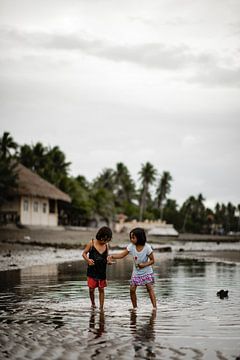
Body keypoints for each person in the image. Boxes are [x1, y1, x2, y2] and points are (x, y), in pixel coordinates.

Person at [108, 227, 157, 309]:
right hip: (136, 273)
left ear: (140, 237)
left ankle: (154, 308)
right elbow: (121, 255)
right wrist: (111, 256)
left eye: (133, 237)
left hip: (147, 272)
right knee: (132, 289)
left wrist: (144, 265)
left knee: (149, 288)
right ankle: (135, 308)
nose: (131, 239)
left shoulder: (147, 247)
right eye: (130, 237)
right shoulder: (131, 246)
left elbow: (152, 260)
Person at [82, 226, 113, 309]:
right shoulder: (91, 243)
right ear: (100, 236)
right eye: (104, 239)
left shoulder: (106, 246)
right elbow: (84, 253)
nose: (105, 242)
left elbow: (106, 257)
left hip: (102, 272)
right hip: (92, 271)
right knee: (91, 289)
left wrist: (108, 261)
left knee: (101, 289)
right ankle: (93, 304)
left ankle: (101, 307)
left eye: (107, 240)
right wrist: (88, 260)